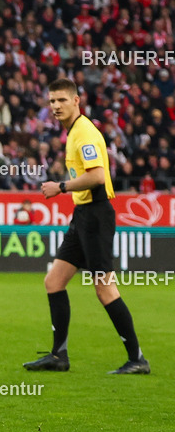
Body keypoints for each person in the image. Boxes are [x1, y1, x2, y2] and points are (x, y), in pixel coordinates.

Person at [24, 78, 149, 375]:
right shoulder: (73, 132)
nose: (55, 106)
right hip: (83, 215)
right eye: (52, 101)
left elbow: (97, 176)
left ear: (76, 101)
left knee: (104, 289)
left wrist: (61, 186)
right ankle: (58, 356)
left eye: (61, 100)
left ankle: (137, 359)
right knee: (53, 281)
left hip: (95, 215)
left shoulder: (84, 133)